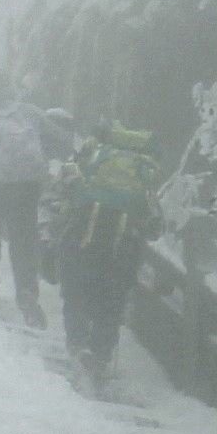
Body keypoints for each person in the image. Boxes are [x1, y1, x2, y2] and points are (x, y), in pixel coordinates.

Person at [55, 120, 161, 387]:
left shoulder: (92, 157)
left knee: (76, 291)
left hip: (84, 236)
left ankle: (78, 344)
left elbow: (65, 190)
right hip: (122, 246)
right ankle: (100, 357)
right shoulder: (143, 172)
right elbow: (155, 225)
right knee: (111, 301)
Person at [0, 77, 55, 318]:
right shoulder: (29, 113)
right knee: (23, 245)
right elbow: (55, 142)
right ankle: (27, 294)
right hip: (26, 188)